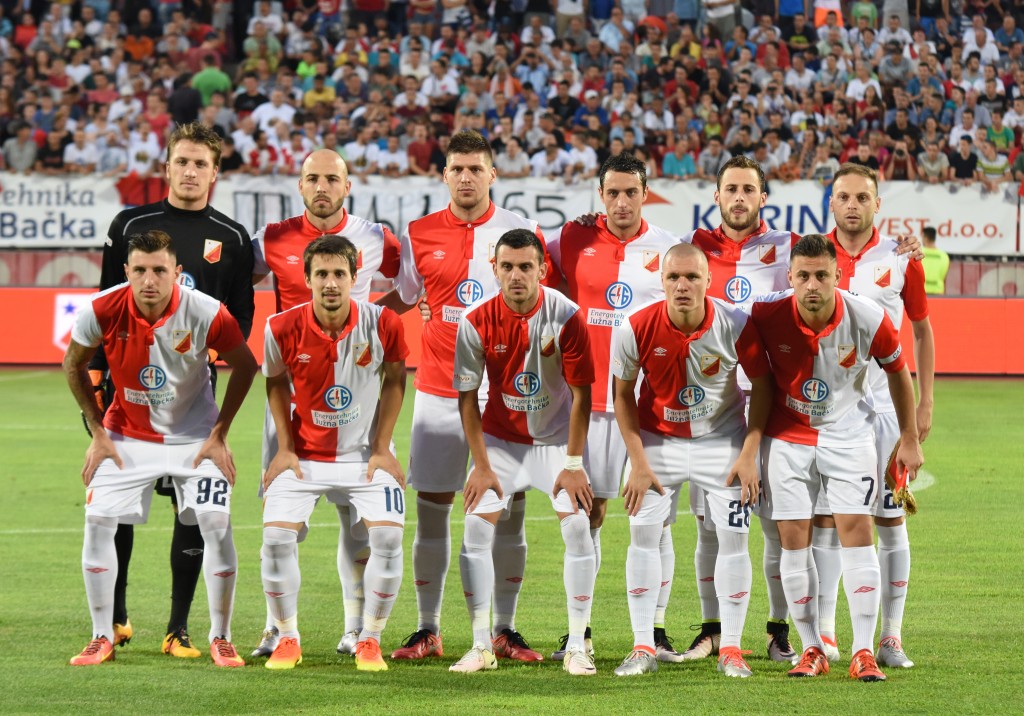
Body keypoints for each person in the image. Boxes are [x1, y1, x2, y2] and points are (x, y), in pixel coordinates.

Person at [378, 130, 556, 662]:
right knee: (432, 510)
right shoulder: (418, 233)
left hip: (502, 396)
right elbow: (407, 297)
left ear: (492, 174)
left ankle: (505, 629)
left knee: (510, 510)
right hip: (437, 390)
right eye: (457, 168)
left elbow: (541, 301)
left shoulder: (521, 233)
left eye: (476, 168)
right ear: (444, 175)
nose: (466, 177)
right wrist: (362, 322)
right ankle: (427, 628)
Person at [90, 122, 254, 660]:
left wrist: (201, 356)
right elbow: (105, 304)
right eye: (181, 161)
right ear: (166, 167)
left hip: (190, 397)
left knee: (191, 509)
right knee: (117, 504)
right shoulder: (129, 224)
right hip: (126, 394)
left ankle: (177, 628)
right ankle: (115, 617)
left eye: (200, 163)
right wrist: (95, 384)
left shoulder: (232, 238)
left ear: (215, 172)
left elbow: (240, 318)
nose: (190, 171)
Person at [64, 230, 258, 667]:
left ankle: (221, 637)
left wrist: (220, 433)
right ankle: (101, 636)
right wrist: (97, 431)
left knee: (215, 522)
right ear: (126, 271)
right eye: (139, 270)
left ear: (177, 272)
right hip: (125, 436)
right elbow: (73, 364)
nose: (149, 280)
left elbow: (246, 366)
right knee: (97, 521)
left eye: (159, 270)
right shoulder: (101, 309)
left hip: (196, 438)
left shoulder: (207, 311)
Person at [749, 234, 924, 681]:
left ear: (838, 276)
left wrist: (909, 437)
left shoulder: (867, 316)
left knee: (858, 534)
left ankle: (864, 650)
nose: (812, 285)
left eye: (822, 276)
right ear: (789, 277)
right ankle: (812, 648)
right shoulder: (764, 313)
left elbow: (899, 373)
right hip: (787, 439)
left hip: (848, 435)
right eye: (803, 276)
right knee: (794, 541)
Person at [249, 149, 402, 659]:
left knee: (359, 527)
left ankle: (356, 628)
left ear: (347, 185)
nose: (322, 187)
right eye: (312, 178)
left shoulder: (377, 237)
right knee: (280, 527)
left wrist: (374, 326)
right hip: (293, 400)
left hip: (356, 395)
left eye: (331, 179)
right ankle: (276, 627)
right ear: (299, 185)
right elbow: (234, 283)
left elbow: (411, 281)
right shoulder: (271, 239)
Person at [547, 153, 687, 662]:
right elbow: (523, 265)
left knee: (654, 520)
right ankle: (579, 632)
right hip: (585, 403)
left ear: (646, 193)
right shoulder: (572, 238)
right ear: (600, 195)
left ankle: (656, 631)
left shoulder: (668, 247)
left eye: (631, 192)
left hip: (648, 405)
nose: (622, 202)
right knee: (587, 515)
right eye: (613, 193)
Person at [610, 243, 773, 678]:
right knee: (643, 536)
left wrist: (749, 453)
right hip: (657, 443)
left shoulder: (736, 324)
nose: (682, 286)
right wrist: (637, 461)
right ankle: (642, 646)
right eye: (673, 277)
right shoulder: (634, 326)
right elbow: (622, 394)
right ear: (661, 281)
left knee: (735, 539)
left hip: (722, 443)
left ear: (708, 280)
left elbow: (763, 386)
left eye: (692, 277)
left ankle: (731, 649)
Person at [449, 228, 597, 675]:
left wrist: (574, 464)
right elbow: (467, 399)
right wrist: (480, 465)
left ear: (542, 269)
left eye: (525, 267)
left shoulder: (566, 315)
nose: (516, 275)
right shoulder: (475, 320)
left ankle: (577, 646)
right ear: (494, 269)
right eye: (507, 267)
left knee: (578, 530)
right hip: (501, 445)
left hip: (556, 445)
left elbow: (583, 395)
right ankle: (481, 645)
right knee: (475, 529)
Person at [810, 165, 934, 669]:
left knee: (890, 518)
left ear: (877, 204)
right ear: (831, 203)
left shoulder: (901, 259)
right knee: (826, 519)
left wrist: (924, 404)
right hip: (830, 412)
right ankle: (824, 632)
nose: (853, 205)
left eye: (863, 197)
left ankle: (891, 636)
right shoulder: (811, 256)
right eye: (844, 197)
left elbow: (921, 331)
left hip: (885, 409)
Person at [682, 156, 801, 665]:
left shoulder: (788, 246)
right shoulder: (693, 245)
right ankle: (712, 630)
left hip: (772, 402)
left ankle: (778, 630)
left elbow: (840, 259)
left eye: (748, 189)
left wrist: (905, 247)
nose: (738, 197)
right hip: (711, 407)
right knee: (709, 526)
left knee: (776, 523)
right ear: (716, 196)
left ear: (763, 198)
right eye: (730, 189)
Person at [921, 226, 950, 295]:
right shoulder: (944, 255)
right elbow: (944, 277)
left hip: (921, 291)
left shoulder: (919, 253)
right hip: (938, 292)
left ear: (925, 238)